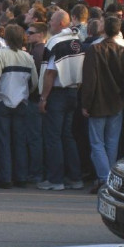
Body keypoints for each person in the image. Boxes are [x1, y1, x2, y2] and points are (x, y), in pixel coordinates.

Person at [79, 16, 124, 192]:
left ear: (103, 29)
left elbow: (90, 79)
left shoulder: (95, 49)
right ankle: (110, 177)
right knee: (112, 141)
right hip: (116, 101)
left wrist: (86, 102)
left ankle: (104, 177)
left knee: (97, 142)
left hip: (98, 101)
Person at [37, 10, 85, 191]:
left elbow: (50, 72)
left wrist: (43, 98)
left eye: (52, 20)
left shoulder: (55, 42)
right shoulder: (77, 40)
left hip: (57, 93)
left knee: (53, 138)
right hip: (73, 91)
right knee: (67, 136)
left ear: (61, 23)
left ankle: (55, 180)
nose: (49, 22)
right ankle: (75, 177)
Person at [0, 24, 38, 189]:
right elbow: (34, 82)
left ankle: (5, 177)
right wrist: (25, 94)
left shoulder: (1, 55)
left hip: (2, 101)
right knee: (20, 141)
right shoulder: (27, 57)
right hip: (21, 102)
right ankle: (21, 176)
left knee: (3, 141)